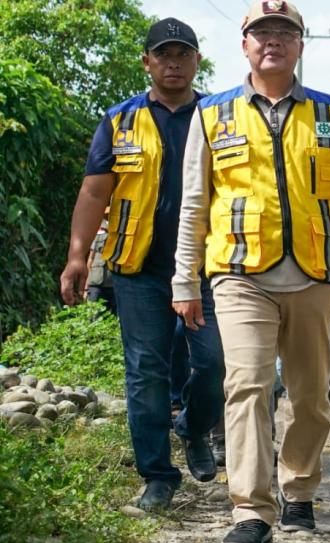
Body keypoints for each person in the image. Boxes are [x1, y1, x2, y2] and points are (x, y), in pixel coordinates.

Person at [170, 2, 330, 543]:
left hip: (316, 274)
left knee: (311, 394)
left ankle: (299, 490)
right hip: (238, 271)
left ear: (300, 46)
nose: (273, 40)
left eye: (285, 32)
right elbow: (195, 203)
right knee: (247, 386)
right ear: (244, 44)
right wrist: (184, 279)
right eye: (262, 32)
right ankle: (251, 510)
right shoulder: (212, 114)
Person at [59, 17, 224, 512]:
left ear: (197, 61)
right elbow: (94, 192)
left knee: (216, 364)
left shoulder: (219, 117)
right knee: (145, 373)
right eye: (163, 54)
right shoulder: (119, 120)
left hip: (207, 268)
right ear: (147, 62)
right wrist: (77, 257)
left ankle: (193, 427)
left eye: (183, 54)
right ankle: (157, 477)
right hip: (138, 269)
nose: (173, 63)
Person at [85, 211, 117, 315]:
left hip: (113, 283)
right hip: (96, 282)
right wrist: (86, 287)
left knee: (113, 315)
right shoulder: (98, 233)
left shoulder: (119, 234)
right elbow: (90, 259)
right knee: (93, 314)